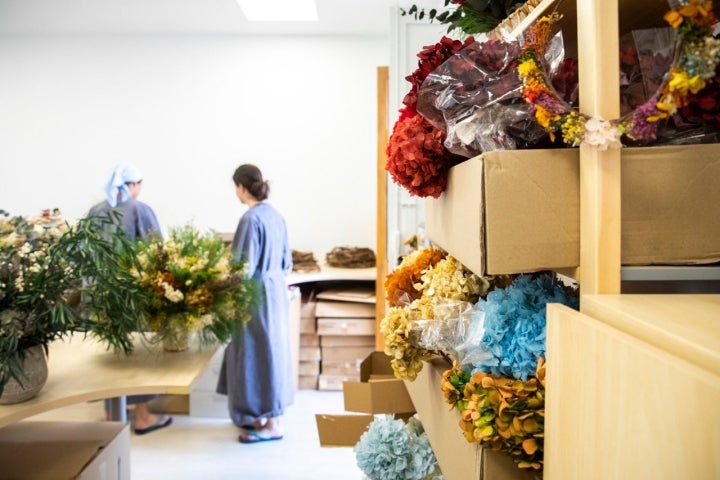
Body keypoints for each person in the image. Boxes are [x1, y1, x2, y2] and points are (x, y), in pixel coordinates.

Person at [87, 162, 173, 435]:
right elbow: (158, 251)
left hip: (100, 295)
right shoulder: (139, 210)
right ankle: (143, 417)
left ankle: (108, 414)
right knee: (136, 355)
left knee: (109, 353)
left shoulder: (96, 211)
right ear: (134, 185)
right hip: (131, 295)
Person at [216, 163, 294, 444]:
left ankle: (273, 423)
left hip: (255, 294)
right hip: (275, 292)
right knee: (270, 353)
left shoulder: (250, 219)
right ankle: (265, 416)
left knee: (255, 354)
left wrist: (221, 287)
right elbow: (287, 261)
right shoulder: (275, 216)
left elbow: (243, 268)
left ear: (240, 187)